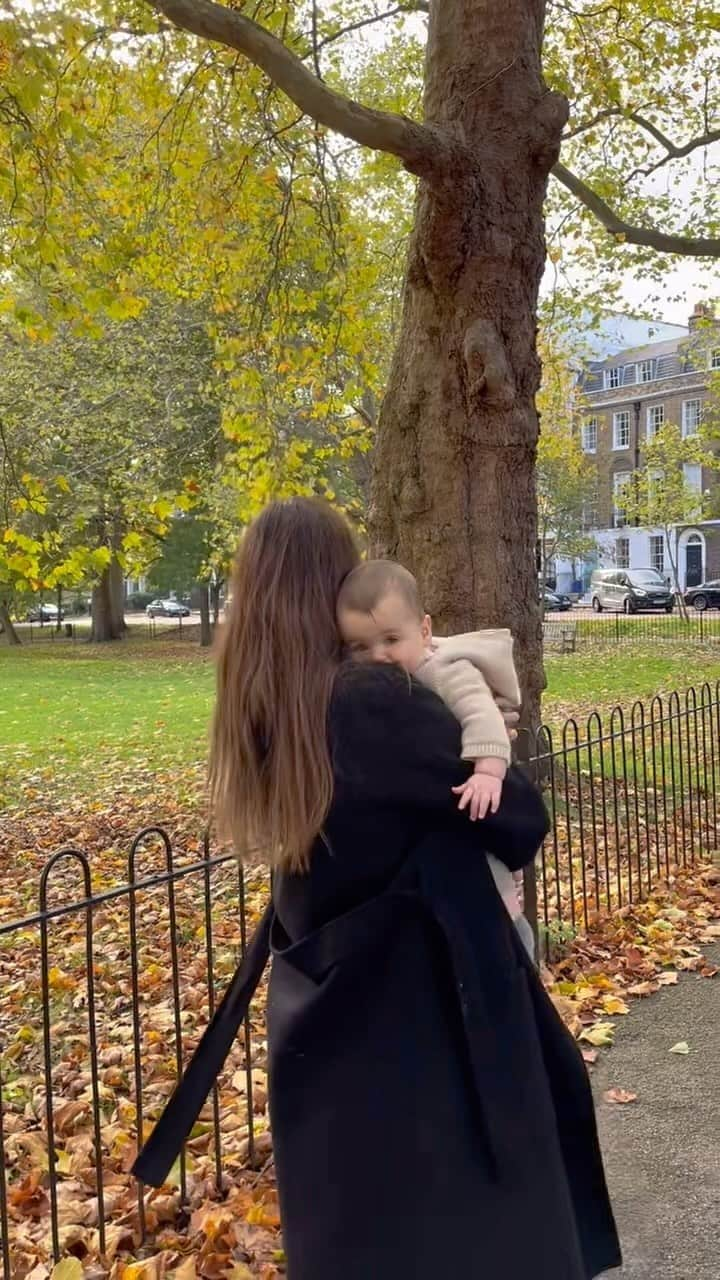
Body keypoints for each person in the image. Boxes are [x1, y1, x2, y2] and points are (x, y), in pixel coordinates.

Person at [133, 497, 621, 1280]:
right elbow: (519, 818)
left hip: (330, 1014)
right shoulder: (365, 702)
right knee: (475, 1234)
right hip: (427, 1022)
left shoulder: (262, 703)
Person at [336, 557, 535, 956]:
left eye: (391, 640)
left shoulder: (445, 669)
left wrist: (489, 773)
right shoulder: (385, 682)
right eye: (361, 647)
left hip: (484, 782)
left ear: (424, 630)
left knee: (495, 872)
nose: (379, 655)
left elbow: (484, 716)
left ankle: (514, 925)